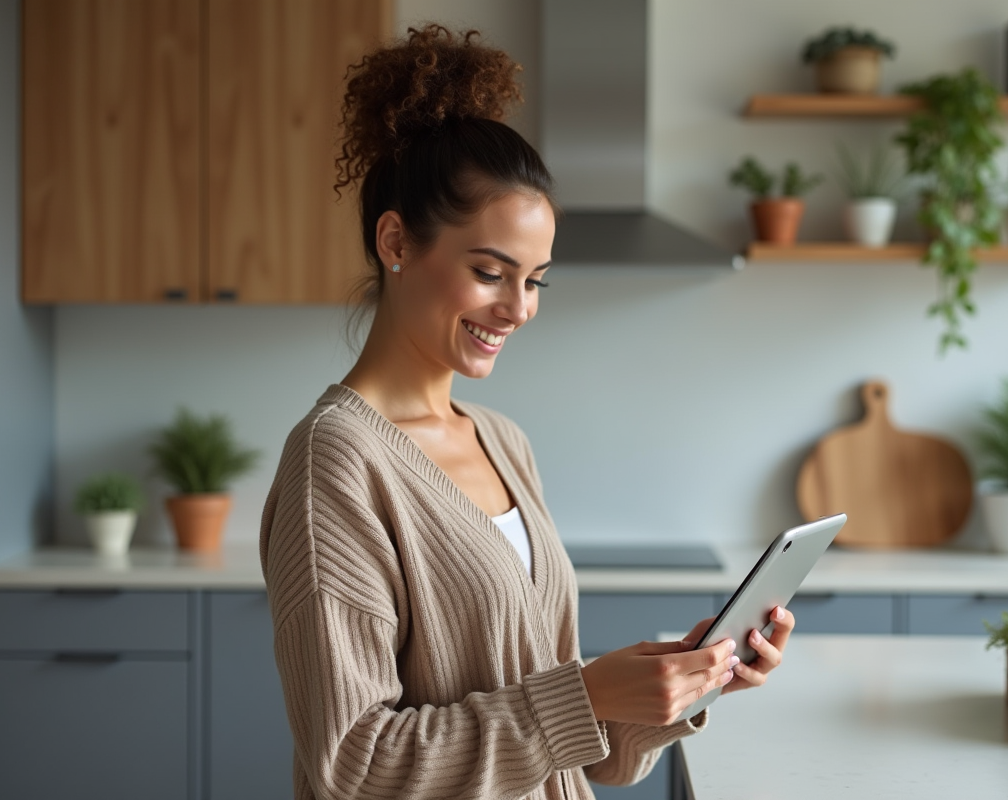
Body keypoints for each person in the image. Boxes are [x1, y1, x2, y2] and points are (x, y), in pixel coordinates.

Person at [259, 25, 795, 800]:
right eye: (490, 272)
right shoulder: (335, 462)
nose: (518, 308)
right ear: (395, 240)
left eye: (536, 280)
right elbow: (356, 766)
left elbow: (575, 754)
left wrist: (679, 686)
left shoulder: (502, 441)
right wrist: (585, 694)